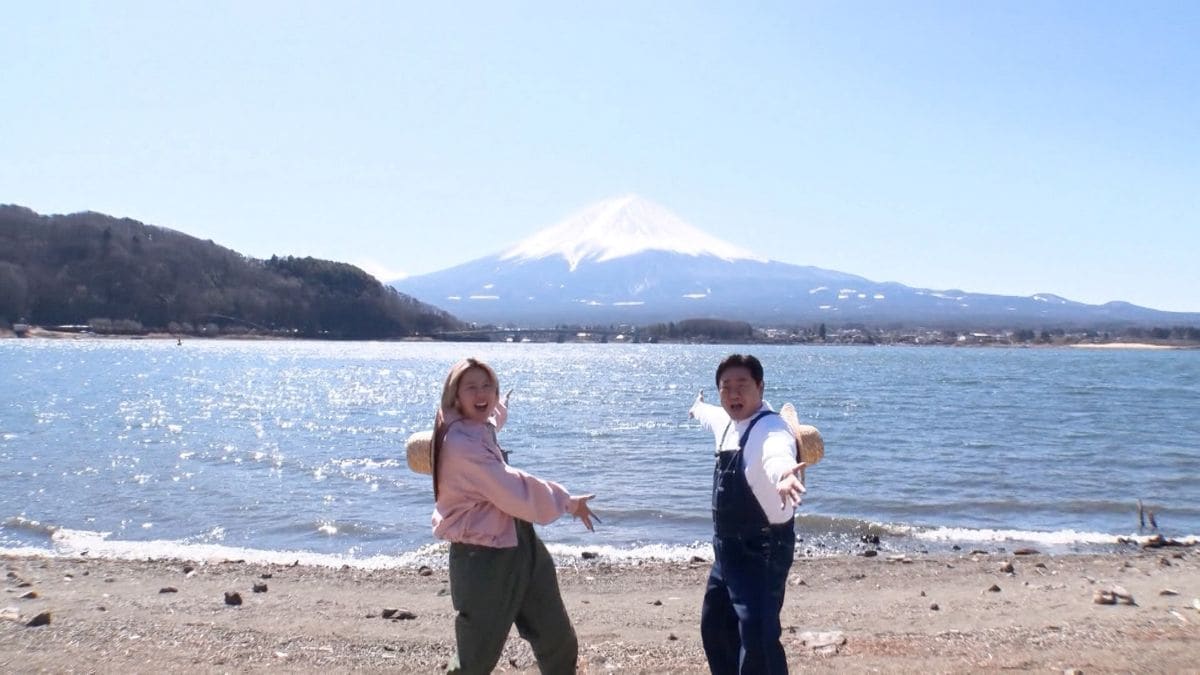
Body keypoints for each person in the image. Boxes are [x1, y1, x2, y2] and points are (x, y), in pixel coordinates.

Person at [431, 357, 598, 675]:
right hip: (482, 555)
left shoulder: (477, 425)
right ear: (455, 396)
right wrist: (566, 502)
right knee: (475, 659)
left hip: (519, 539)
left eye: (488, 386)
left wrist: (501, 403)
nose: (482, 393)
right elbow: (513, 489)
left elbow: (492, 418)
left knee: (556, 637)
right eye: (472, 388)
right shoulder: (460, 445)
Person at [689, 354, 806, 675]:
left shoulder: (770, 429)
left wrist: (786, 474)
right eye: (726, 387)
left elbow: (776, 454)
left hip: (763, 552)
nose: (733, 394)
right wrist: (696, 406)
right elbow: (709, 415)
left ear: (760, 387)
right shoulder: (726, 422)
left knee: (758, 638)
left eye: (742, 385)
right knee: (715, 628)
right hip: (726, 551)